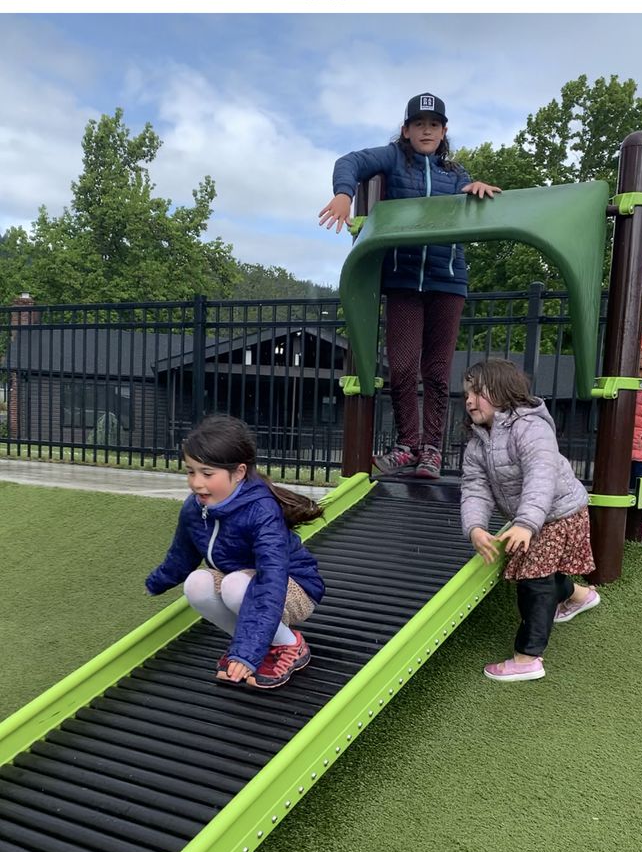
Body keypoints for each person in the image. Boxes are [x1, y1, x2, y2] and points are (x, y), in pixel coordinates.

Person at [319, 92, 501, 478]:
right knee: (401, 367)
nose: (426, 130)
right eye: (419, 124)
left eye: (433, 125)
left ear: (444, 131)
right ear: (406, 129)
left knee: (436, 371)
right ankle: (408, 445)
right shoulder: (393, 160)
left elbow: (474, 198)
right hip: (403, 281)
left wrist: (475, 190)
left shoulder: (456, 173)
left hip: (447, 280)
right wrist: (343, 193)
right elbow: (350, 161)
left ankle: (432, 450)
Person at [145, 415, 325, 690]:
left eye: (207, 473)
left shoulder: (262, 511)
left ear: (239, 472)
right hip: (244, 583)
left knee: (235, 585)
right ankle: (262, 646)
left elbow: (270, 581)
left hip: (293, 587)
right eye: (190, 471)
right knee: (197, 584)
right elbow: (182, 555)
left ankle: (290, 645)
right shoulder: (195, 507)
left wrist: (246, 652)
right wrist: (156, 582)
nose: (196, 482)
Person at [461, 359, 599, 682]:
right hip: (537, 517)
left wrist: (525, 523)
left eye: (476, 392)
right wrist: (475, 527)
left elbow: (541, 476)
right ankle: (579, 595)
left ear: (501, 391)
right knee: (541, 571)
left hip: (560, 512)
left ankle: (527, 657)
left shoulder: (530, 426)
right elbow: (475, 489)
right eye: (466, 393)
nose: (468, 400)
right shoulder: (478, 442)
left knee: (533, 581)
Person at [630, 333, 642, 544]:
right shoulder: (631, 387)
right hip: (631, 450)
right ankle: (630, 523)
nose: (638, 375)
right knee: (628, 489)